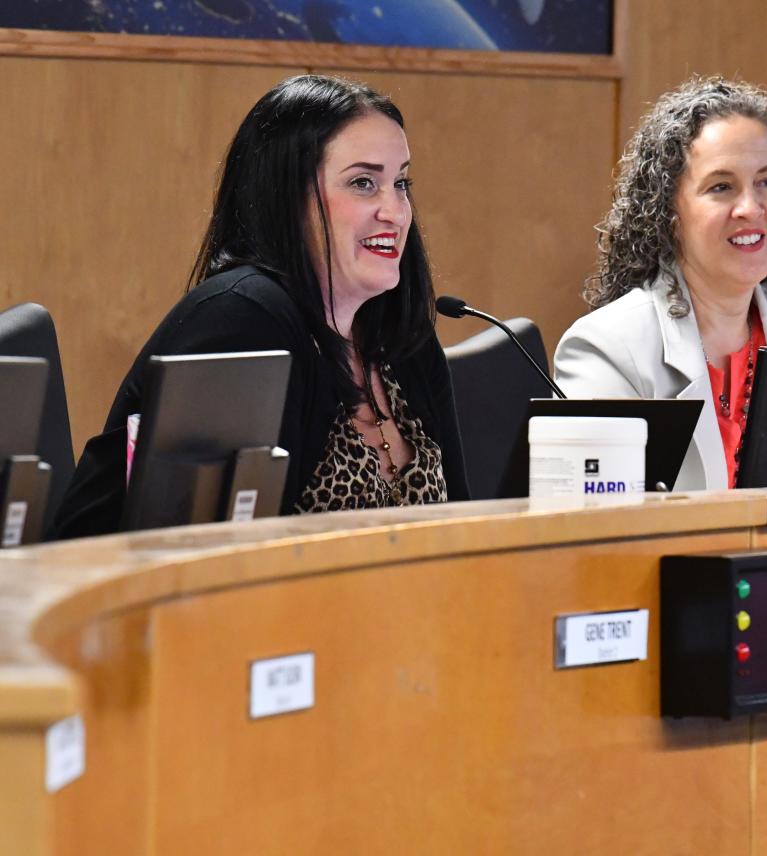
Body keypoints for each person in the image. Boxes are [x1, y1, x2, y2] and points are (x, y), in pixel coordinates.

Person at [52, 74, 468, 538]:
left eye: (401, 182)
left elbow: (468, 532)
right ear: (286, 197)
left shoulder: (401, 337)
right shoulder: (242, 322)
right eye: (364, 183)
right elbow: (209, 559)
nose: (395, 210)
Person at [554, 76, 767, 491]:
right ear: (668, 213)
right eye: (721, 187)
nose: (751, 208)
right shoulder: (607, 346)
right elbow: (595, 524)